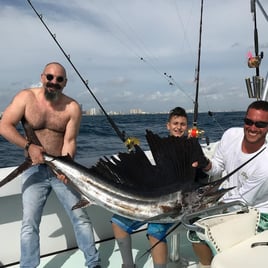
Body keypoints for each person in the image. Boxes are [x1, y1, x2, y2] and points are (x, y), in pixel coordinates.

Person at [0, 62, 101, 268]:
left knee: (80, 216)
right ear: (42, 77)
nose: (53, 82)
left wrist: (66, 168)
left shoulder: (72, 107)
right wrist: (28, 146)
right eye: (50, 77)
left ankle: (93, 263)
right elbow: (4, 125)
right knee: (29, 222)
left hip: (61, 169)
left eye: (59, 79)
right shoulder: (26, 98)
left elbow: (70, 142)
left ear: (65, 83)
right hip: (34, 168)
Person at [191, 100, 268, 268]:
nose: (253, 128)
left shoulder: (265, 164)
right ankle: (206, 265)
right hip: (226, 200)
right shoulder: (231, 135)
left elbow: (242, 202)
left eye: (260, 124)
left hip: (258, 212)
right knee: (194, 227)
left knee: (214, 234)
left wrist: (204, 207)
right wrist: (206, 163)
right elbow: (217, 169)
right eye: (249, 122)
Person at [111, 107, 189, 268]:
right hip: (155, 203)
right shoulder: (162, 148)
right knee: (118, 221)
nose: (178, 127)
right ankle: (128, 265)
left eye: (182, 124)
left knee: (155, 229)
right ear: (168, 125)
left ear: (186, 127)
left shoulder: (191, 148)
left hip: (178, 207)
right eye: (175, 123)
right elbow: (155, 174)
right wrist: (134, 154)